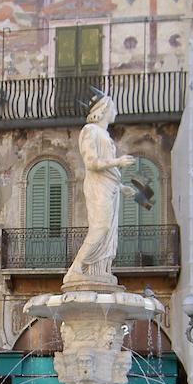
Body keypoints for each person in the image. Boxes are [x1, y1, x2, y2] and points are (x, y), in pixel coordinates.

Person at [63, 90, 135, 289]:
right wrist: (118, 162)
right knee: (101, 227)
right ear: (102, 110)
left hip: (110, 187)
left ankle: (99, 270)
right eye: (112, 106)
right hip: (97, 187)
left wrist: (121, 187)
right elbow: (92, 162)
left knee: (109, 233)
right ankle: (76, 269)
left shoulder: (104, 134)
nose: (116, 111)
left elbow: (106, 171)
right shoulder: (90, 131)